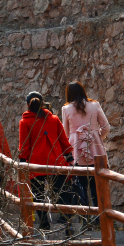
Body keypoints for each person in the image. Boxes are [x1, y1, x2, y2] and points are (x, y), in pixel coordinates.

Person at [19, 92, 73, 232]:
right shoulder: (54, 119)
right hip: (56, 161)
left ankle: (44, 224)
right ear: (43, 103)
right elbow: (63, 140)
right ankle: (68, 224)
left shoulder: (25, 122)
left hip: (36, 164)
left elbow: (24, 145)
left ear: (27, 104)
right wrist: (70, 158)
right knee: (61, 194)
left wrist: (22, 162)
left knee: (38, 195)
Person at [61, 81, 111, 211]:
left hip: (76, 150)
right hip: (95, 149)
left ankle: (86, 217)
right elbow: (106, 127)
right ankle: (101, 215)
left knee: (80, 186)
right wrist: (97, 136)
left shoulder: (66, 109)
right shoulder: (95, 105)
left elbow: (65, 133)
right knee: (97, 184)